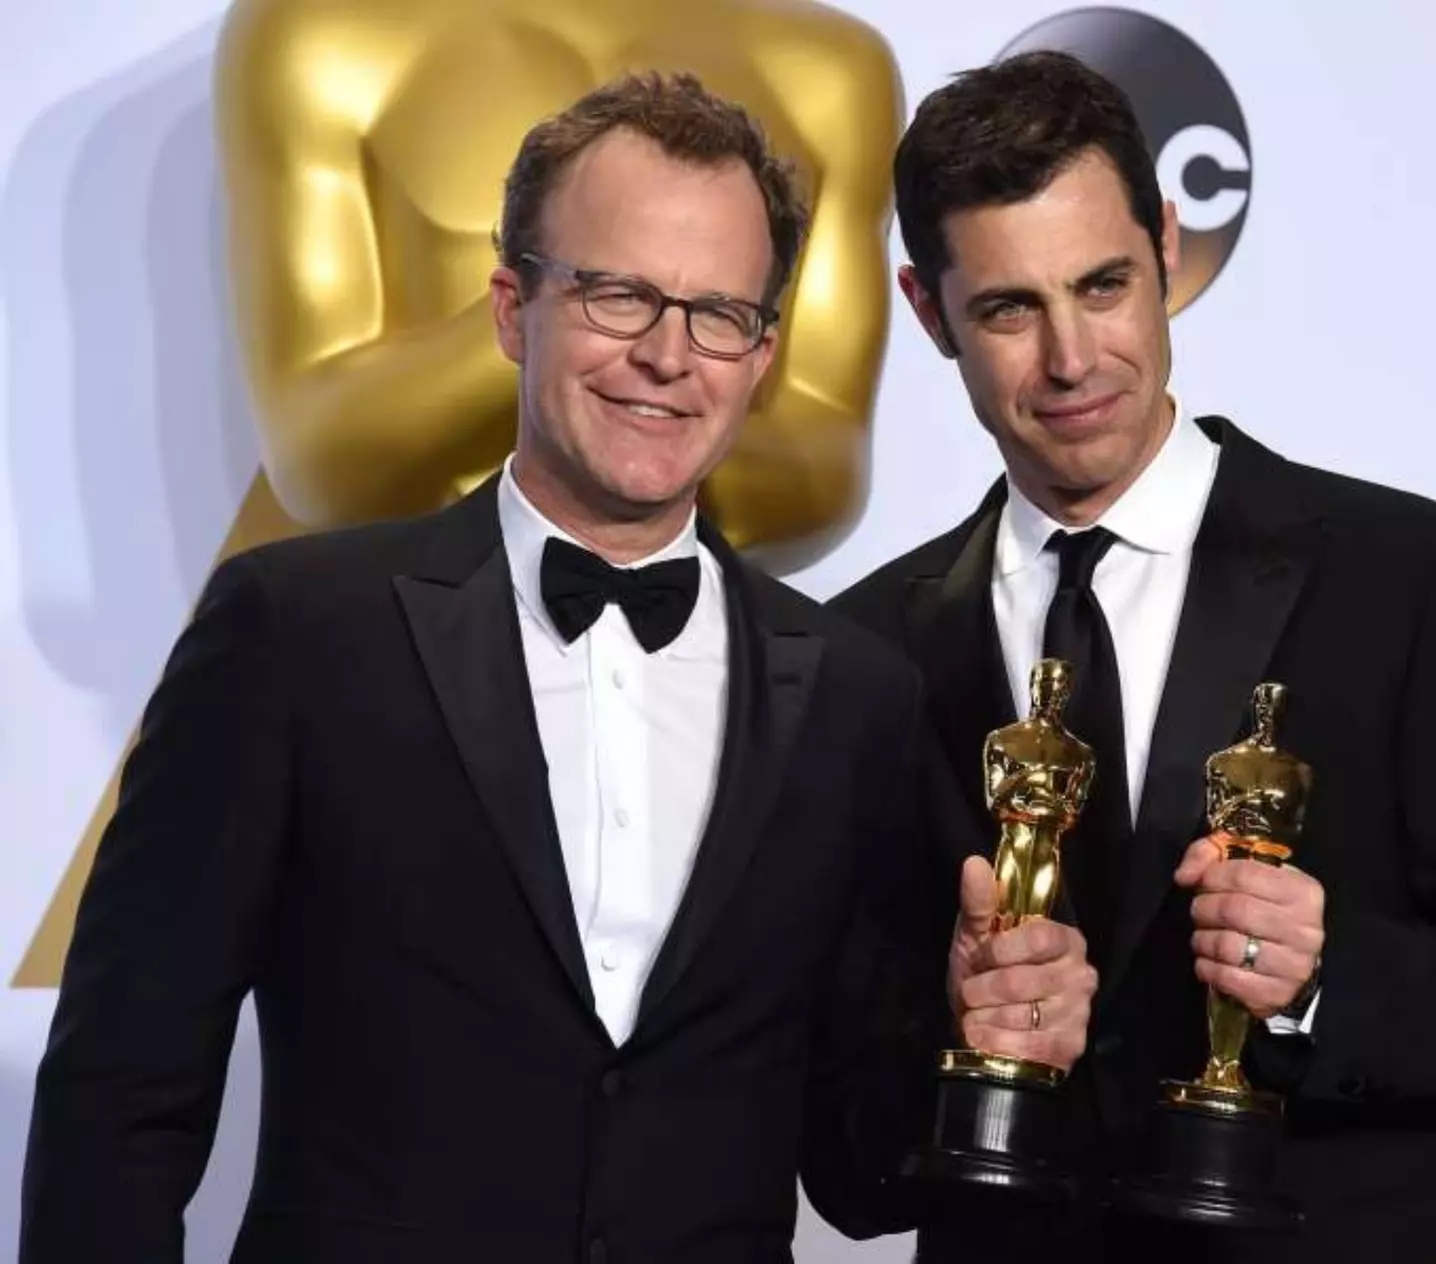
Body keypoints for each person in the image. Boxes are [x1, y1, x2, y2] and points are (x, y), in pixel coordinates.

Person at [22, 71, 1089, 1263]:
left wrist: (969, 1036)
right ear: (511, 308)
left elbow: (855, 1174)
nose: (666, 356)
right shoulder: (297, 632)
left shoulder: (853, 694)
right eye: (617, 295)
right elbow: (121, 1096)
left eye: (716, 313)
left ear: (760, 352)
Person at [831, 51, 1436, 1262]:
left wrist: (1320, 975)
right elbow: (842, 1173)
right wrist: (957, 1026)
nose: (1071, 358)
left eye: (1102, 285)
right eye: (1008, 309)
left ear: (1166, 247)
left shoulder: (1409, 577)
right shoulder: (862, 652)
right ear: (928, 313)